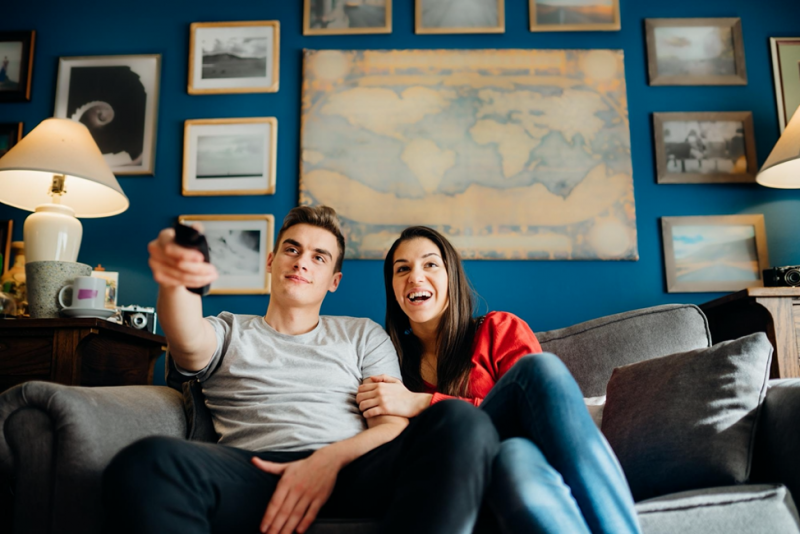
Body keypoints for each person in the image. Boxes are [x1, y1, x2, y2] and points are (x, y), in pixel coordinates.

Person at [102, 207, 499, 534]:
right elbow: (188, 339)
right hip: (257, 471)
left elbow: (390, 426)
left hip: (355, 469)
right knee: (146, 461)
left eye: (319, 257)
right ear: (272, 262)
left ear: (334, 281)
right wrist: (177, 283)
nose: (302, 262)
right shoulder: (227, 330)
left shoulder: (363, 334)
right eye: (292, 250)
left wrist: (326, 462)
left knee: (461, 419)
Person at [356, 225, 642, 534]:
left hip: (522, 447)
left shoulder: (498, 329)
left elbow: (532, 414)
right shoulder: (386, 360)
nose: (415, 276)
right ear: (393, 288)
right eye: (402, 269)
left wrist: (420, 402)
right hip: (456, 476)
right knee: (511, 459)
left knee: (536, 380)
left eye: (430, 264)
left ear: (451, 277)